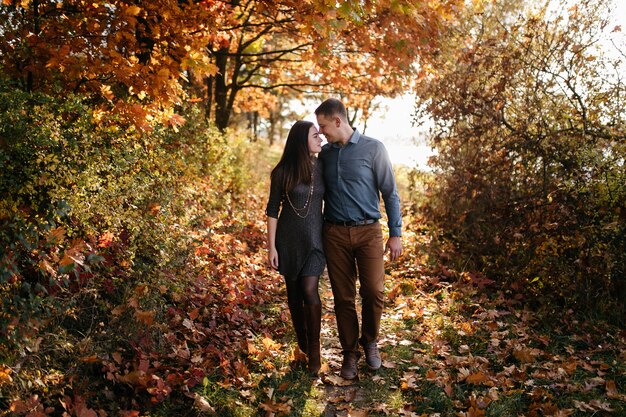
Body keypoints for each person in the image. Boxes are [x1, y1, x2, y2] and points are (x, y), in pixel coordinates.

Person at [315, 98, 403, 380]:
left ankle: (371, 341)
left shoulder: (374, 148)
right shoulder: (325, 155)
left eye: (324, 126)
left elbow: (390, 192)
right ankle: (350, 353)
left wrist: (395, 233)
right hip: (335, 233)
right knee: (343, 297)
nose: (322, 132)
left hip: (368, 232)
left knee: (374, 292)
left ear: (338, 121)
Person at [265, 120, 325, 374]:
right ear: (302, 141)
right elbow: (272, 210)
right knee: (294, 296)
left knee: (309, 290)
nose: (320, 139)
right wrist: (271, 248)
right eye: (315, 136)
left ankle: (314, 349)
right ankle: (301, 340)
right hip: (288, 241)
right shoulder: (282, 173)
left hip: (315, 241)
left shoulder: (322, 167)